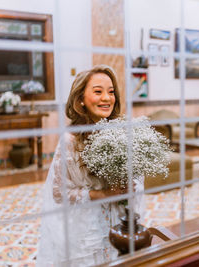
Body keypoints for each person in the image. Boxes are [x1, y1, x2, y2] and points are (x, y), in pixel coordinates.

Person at [37, 65, 144, 266]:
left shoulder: (123, 133)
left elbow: (137, 176)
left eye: (111, 92)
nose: (107, 98)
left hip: (119, 222)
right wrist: (104, 194)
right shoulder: (69, 141)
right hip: (87, 231)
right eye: (98, 91)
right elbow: (59, 193)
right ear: (81, 100)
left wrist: (130, 184)